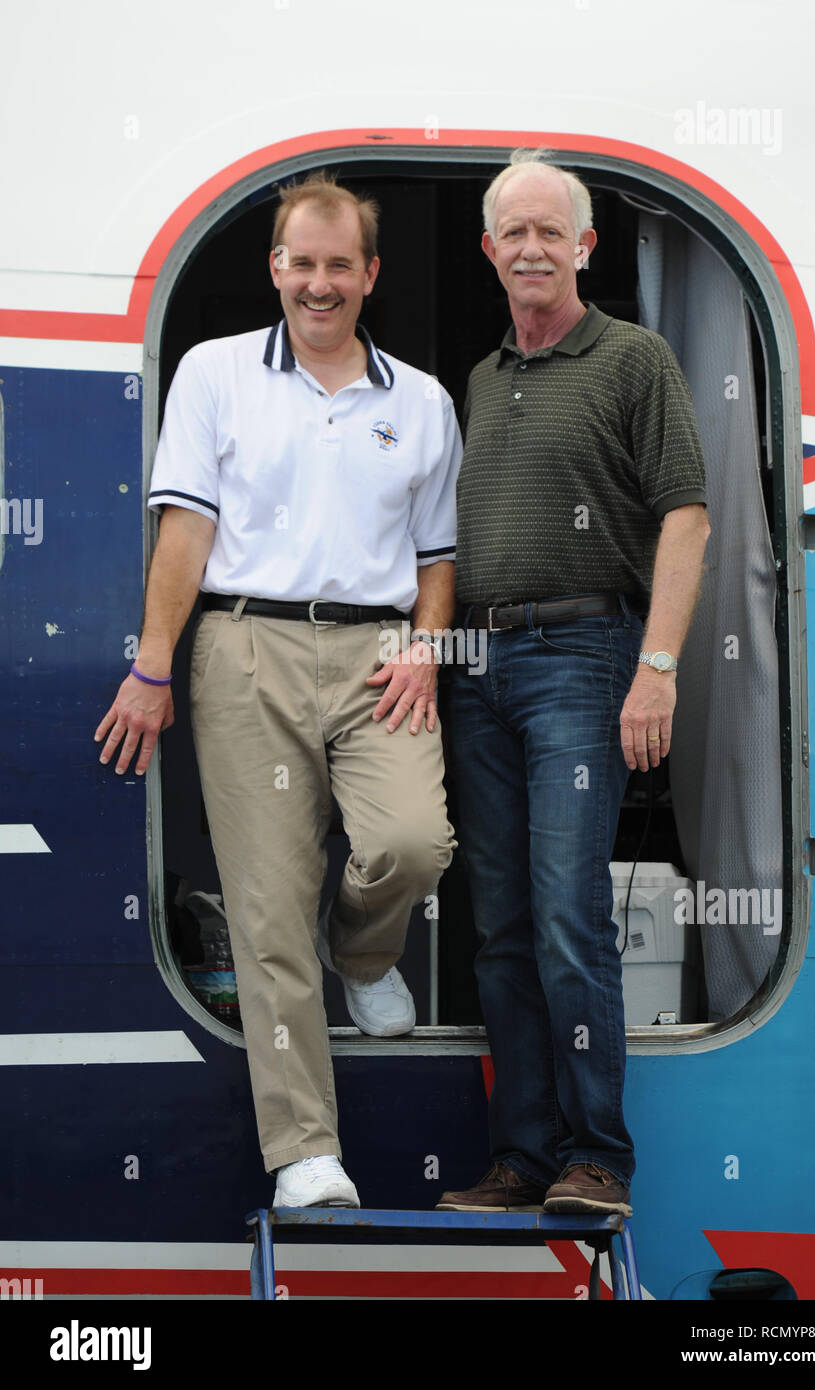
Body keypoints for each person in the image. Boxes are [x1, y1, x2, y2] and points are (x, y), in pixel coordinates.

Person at [95, 172, 460, 1209]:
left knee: (412, 843)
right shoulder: (214, 375)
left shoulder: (422, 401)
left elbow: (437, 557)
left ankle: (364, 949)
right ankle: (305, 1149)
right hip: (244, 647)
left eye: (339, 264)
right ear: (275, 268)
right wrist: (152, 666)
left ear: (369, 274)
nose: (319, 282)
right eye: (301, 263)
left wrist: (429, 646)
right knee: (267, 908)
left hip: (378, 654)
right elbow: (186, 532)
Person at [437, 151, 710, 1217]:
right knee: (499, 925)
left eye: (553, 231)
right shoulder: (478, 378)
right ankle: (521, 1159)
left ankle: (596, 1159)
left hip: (585, 660)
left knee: (565, 919)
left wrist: (656, 667)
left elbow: (685, 517)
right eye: (516, 232)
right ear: (490, 252)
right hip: (479, 670)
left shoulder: (632, 359)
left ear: (585, 248)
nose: (534, 248)